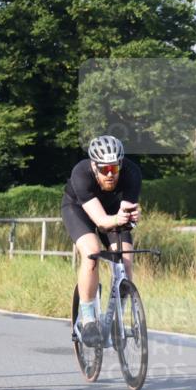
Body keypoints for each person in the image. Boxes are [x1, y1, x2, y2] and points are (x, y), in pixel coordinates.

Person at [61, 135, 142, 345]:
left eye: (114, 169)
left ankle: (117, 318)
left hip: (113, 212)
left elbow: (125, 215)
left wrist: (131, 219)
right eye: (104, 169)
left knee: (125, 258)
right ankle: (88, 319)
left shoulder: (132, 173)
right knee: (91, 252)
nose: (110, 175)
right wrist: (119, 218)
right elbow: (101, 222)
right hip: (79, 210)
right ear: (94, 166)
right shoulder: (81, 174)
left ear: (121, 165)